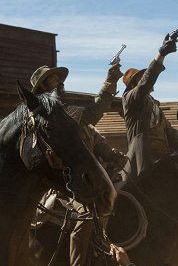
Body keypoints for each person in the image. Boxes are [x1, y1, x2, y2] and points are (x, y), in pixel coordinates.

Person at [30, 63, 125, 266]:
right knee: (87, 213)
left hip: (88, 173)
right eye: (53, 80)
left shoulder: (70, 113)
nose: (59, 83)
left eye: (59, 79)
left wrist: (111, 154)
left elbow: (95, 139)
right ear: (43, 88)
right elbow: (93, 112)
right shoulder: (53, 114)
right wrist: (110, 82)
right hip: (66, 180)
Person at [121, 33, 178, 178]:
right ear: (132, 84)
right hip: (144, 163)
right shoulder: (130, 99)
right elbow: (146, 83)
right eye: (139, 78)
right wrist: (161, 54)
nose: (144, 80)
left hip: (164, 159)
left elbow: (170, 132)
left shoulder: (154, 105)